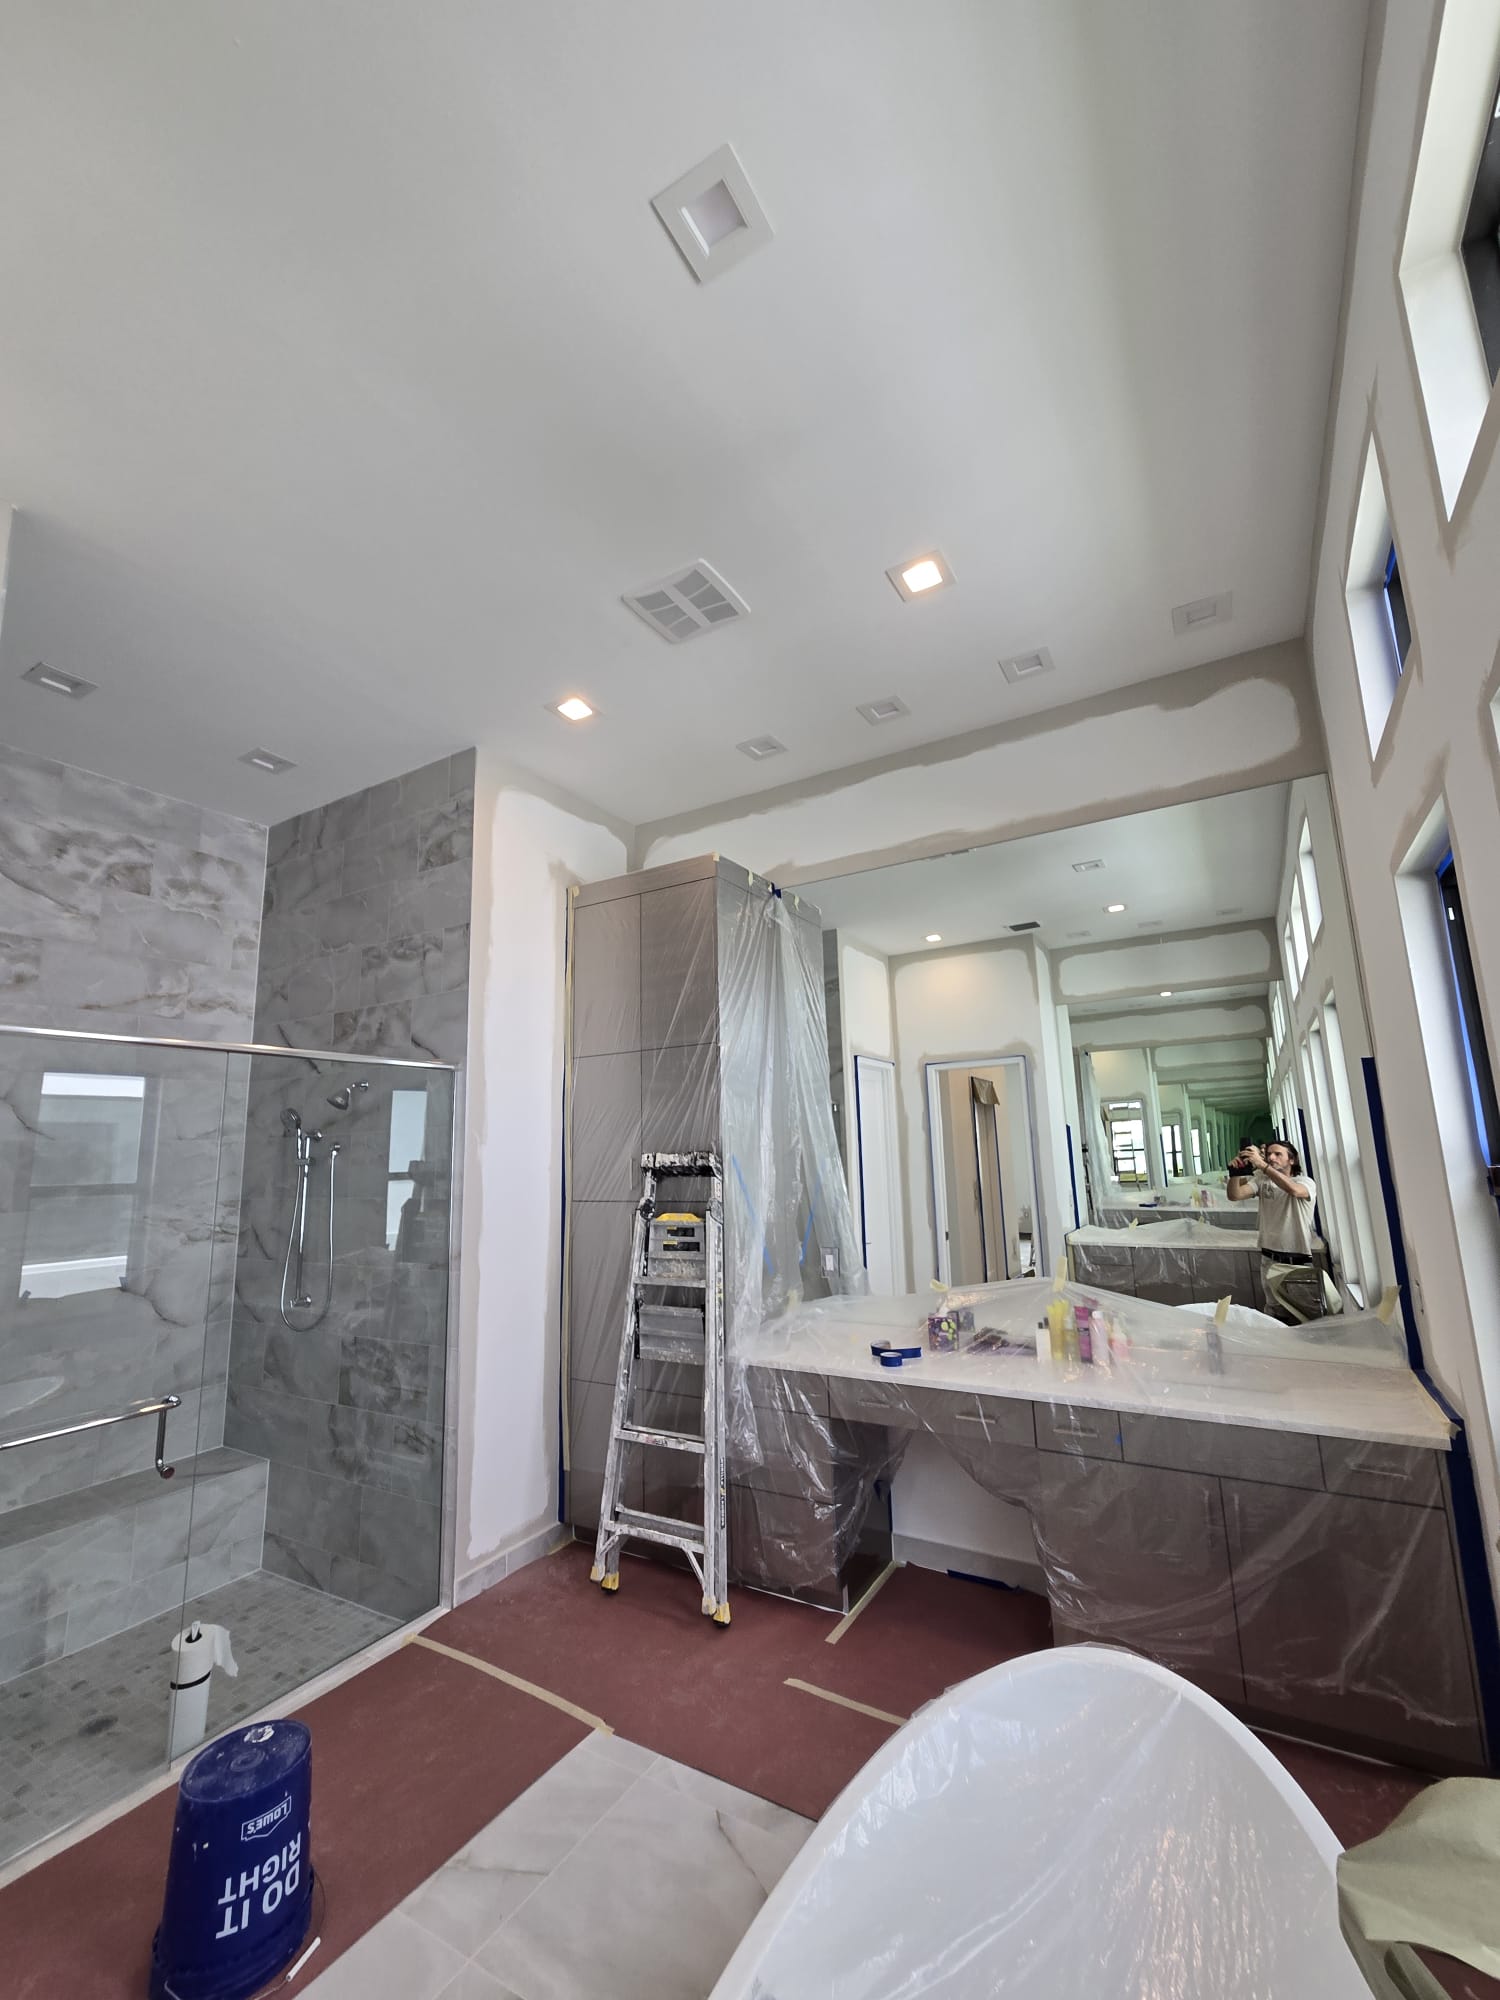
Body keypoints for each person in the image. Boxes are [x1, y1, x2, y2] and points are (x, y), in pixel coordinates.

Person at [1226, 1140, 1339, 1321]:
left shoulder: (1305, 1182)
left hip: (1296, 1261)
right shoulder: (1263, 1180)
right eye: (1269, 1154)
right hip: (1269, 1259)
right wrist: (1235, 1174)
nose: (1272, 1157)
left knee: (1301, 1315)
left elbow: (1294, 1190)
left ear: (1292, 1160)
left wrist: (1262, 1165)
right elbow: (1235, 1195)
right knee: (1274, 1312)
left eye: (1278, 1154)